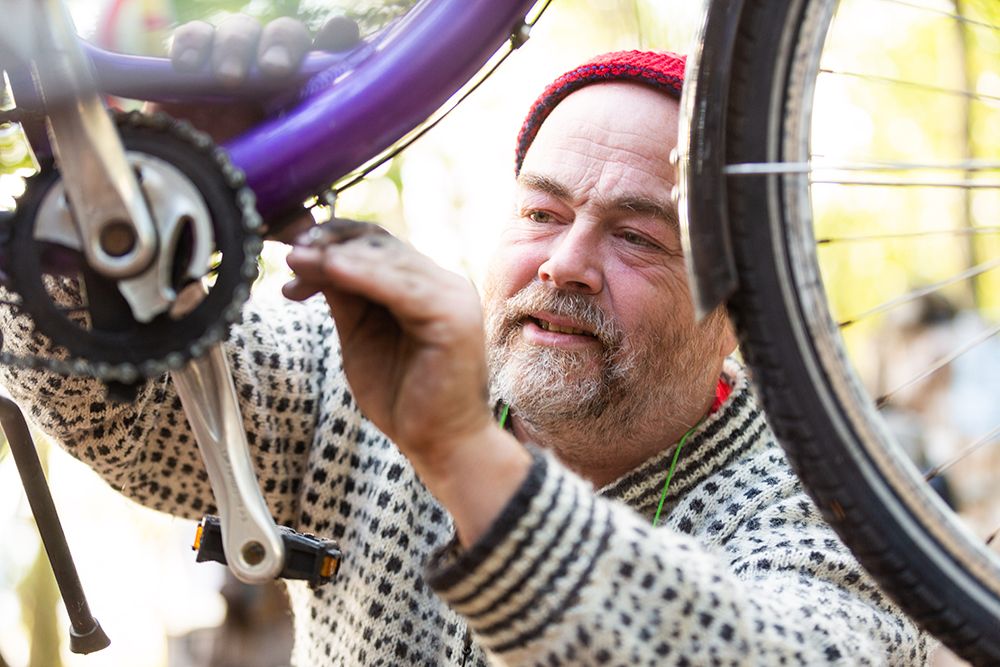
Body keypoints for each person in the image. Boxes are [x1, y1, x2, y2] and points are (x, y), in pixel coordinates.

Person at [0, 17, 929, 666]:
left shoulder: (842, 498)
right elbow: (119, 414)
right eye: (541, 210)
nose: (566, 262)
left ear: (743, 305)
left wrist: (461, 453)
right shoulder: (353, 368)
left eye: (641, 234)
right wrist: (137, 190)